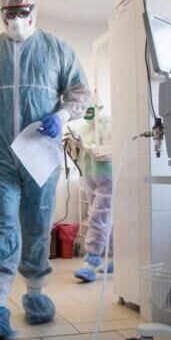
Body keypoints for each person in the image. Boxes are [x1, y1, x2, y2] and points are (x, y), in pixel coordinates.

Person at [0, 0, 90, 338]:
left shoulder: (57, 49)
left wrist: (61, 116)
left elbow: (80, 91)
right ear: (0, 13)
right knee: (0, 224)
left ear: (34, 11)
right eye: (9, 13)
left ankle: (35, 295)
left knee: (36, 224)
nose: (16, 19)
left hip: (39, 154)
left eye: (22, 12)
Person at [67, 102, 114, 283]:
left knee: (98, 218)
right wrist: (75, 147)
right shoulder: (85, 127)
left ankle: (91, 264)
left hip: (107, 177)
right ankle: (114, 258)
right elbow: (82, 155)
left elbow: (108, 153)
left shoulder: (109, 123)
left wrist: (85, 147)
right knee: (103, 219)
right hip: (89, 178)